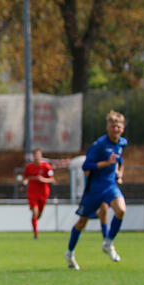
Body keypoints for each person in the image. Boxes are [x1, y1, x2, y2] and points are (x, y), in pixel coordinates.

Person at [65, 110, 127, 270]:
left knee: (121, 210)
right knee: (82, 222)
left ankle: (108, 243)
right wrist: (105, 164)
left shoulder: (121, 143)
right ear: (108, 127)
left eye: (119, 127)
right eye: (113, 126)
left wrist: (119, 173)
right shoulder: (99, 145)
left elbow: (120, 160)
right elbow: (86, 165)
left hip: (110, 186)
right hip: (94, 189)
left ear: (123, 128)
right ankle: (70, 253)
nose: (116, 129)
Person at [22, 148, 55, 239]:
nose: (37, 157)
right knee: (35, 212)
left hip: (43, 193)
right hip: (32, 193)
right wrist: (24, 182)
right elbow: (25, 178)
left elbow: (52, 179)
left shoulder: (46, 167)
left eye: (38, 155)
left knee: (39, 215)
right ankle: (36, 234)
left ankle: (35, 225)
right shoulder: (29, 167)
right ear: (33, 156)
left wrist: (43, 179)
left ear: (41, 156)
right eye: (35, 155)